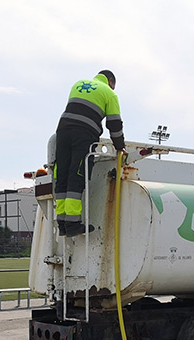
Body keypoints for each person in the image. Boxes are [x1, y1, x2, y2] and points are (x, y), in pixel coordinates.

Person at [54, 70, 126, 236]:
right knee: (77, 174)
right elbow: (114, 124)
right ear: (111, 82)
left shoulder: (78, 84)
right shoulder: (109, 93)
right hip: (84, 134)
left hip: (63, 131)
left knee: (62, 175)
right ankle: (73, 225)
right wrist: (119, 146)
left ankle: (62, 224)